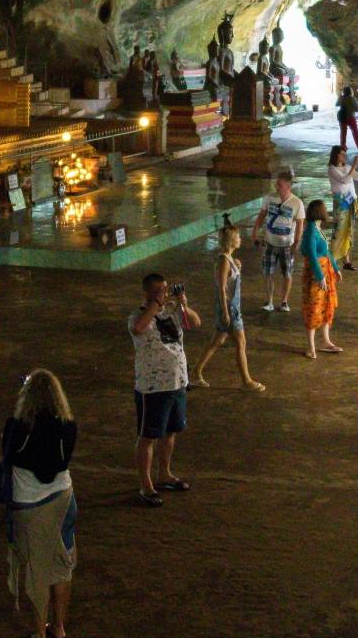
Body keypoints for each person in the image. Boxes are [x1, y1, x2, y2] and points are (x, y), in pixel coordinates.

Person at [2, 369, 78, 638]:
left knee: (37, 571)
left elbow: (7, 456)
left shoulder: (18, 427)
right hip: (64, 499)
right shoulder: (68, 426)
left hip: (32, 505)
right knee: (62, 563)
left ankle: (39, 637)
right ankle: (58, 626)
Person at [130, 271, 199, 506]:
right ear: (147, 293)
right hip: (153, 387)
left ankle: (164, 474)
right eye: (160, 290)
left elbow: (195, 323)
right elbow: (138, 328)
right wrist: (156, 304)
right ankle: (145, 484)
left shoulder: (171, 312)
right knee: (148, 436)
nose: (165, 293)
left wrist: (183, 305)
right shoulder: (137, 316)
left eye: (165, 289)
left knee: (171, 432)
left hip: (177, 382)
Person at [195, 226, 266, 392]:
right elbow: (221, 288)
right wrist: (226, 312)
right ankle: (246, 381)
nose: (240, 239)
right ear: (231, 240)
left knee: (217, 341)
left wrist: (237, 268)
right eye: (238, 237)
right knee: (241, 342)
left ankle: (195, 372)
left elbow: (230, 282)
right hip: (229, 308)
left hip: (232, 307)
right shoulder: (223, 261)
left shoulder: (230, 259)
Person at [251, 170, 303, 313]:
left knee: (287, 273)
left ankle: (284, 301)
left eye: (279, 185)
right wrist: (255, 232)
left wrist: (296, 243)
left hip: (287, 245)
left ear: (288, 187)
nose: (276, 187)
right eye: (276, 184)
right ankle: (269, 301)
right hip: (269, 242)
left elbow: (300, 224)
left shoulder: (297, 203)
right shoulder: (269, 198)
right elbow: (261, 216)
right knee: (268, 272)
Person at [298, 199, 342, 357]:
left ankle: (326, 341)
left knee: (325, 306)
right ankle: (311, 347)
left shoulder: (317, 228)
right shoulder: (311, 230)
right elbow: (312, 256)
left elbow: (326, 251)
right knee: (314, 308)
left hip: (324, 272)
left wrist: (336, 268)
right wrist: (320, 276)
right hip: (315, 275)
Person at [325, 144, 358, 270]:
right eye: (342, 154)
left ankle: (346, 260)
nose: (344, 156)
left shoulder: (347, 167)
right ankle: (333, 259)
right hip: (341, 202)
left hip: (351, 201)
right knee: (339, 230)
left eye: (345, 154)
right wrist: (354, 164)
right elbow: (345, 180)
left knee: (349, 231)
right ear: (336, 155)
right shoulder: (332, 169)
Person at [335, 86, 358, 151]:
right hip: (350, 117)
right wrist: (351, 108)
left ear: (344, 92)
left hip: (342, 117)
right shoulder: (352, 98)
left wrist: (340, 97)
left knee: (343, 133)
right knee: (355, 132)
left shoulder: (342, 98)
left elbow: (336, 104)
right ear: (351, 91)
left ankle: (343, 147)